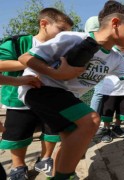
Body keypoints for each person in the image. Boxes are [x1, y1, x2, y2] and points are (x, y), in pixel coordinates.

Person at [18, 1, 124, 179]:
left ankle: (59, 174)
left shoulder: (116, 59)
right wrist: (56, 73)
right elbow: (24, 57)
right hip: (40, 88)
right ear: (115, 24)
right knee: (91, 120)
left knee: (70, 139)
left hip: (65, 97)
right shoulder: (73, 38)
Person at [0, 8, 73, 179]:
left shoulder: (62, 50)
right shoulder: (19, 42)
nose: (64, 36)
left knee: (51, 131)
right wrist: (33, 64)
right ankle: (18, 167)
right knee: (18, 133)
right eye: (61, 30)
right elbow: (1, 64)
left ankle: (45, 159)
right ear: (44, 24)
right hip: (18, 100)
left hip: (51, 99)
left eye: (67, 33)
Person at [95, 45, 124, 143]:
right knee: (108, 111)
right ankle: (107, 130)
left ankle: (117, 127)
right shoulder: (110, 50)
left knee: (122, 110)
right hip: (109, 88)